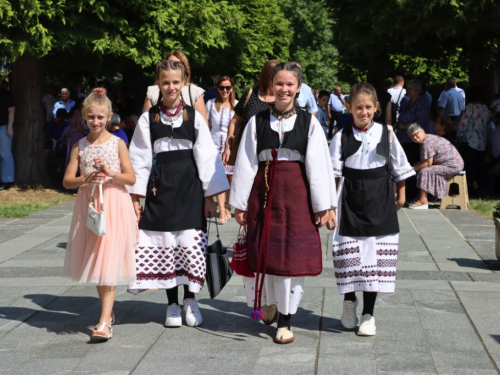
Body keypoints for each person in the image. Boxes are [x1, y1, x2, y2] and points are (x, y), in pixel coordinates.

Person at [230, 62, 337, 344]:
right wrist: (240, 203)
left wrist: (323, 206)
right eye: (280, 84)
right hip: (263, 193)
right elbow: (246, 163)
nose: (284, 89)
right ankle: (268, 302)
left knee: (290, 256)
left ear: (299, 88)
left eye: (290, 85)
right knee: (262, 250)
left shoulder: (308, 122)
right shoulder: (257, 121)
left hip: (296, 194)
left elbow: (318, 166)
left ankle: (286, 320)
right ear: (271, 86)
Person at [127, 60, 229, 327]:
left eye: (175, 82)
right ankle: (172, 304)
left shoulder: (194, 117)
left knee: (190, 244)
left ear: (183, 83)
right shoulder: (148, 119)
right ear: (157, 84)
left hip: (190, 187)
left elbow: (207, 157)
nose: (171, 87)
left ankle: (191, 299)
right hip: (159, 188)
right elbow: (138, 157)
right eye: (165, 82)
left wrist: (210, 197)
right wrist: (135, 195)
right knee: (166, 246)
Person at [330, 82, 415, 336]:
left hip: (380, 198)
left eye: (368, 107)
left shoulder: (387, 134)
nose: (363, 112)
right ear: (349, 107)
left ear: (376, 108)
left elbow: (400, 168)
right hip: (349, 199)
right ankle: (349, 301)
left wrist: (400, 197)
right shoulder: (340, 136)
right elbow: (331, 174)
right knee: (348, 255)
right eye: (358, 107)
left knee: (373, 259)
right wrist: (328, 208)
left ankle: (369, 314)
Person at [63, 87, 138, 341]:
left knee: (108, 258)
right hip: (91, 205)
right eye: (91, 117)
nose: (96, 122)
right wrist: (86, 178)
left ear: (109, 116)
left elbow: (130, 177)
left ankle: (105, 320)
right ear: (84, 116)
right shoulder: (79, 146)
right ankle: (108, 312)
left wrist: (110, 172)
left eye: (100, 117)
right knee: (96, 258)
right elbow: (66, 181)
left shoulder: (118, 143)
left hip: (114, 203)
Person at [222, 59, 278, 166]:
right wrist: (228, 145)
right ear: (267, 77)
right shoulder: (251, 94)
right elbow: (235, 121)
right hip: (246, 153)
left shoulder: (281, 99)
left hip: (270, 156)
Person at [142, 50, 208, 124]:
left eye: (177, 64)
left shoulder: (194, 92)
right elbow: (145, 123)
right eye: (169, 63)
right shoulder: (152, 91)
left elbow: (203, 126)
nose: (172, 67)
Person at [408, 124, 464, 209]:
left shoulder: (427, 142)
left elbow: (427, 164)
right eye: (412, 136)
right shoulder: (428, 139)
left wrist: (410, 170)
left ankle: (423, 201)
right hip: (452, 164)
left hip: (453, 165)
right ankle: (420, 197)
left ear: (422, 131)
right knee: (424, 169)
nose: (415, 137)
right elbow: (425, 161)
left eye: (416, 134)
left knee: (424, 171)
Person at [206, 76, 238, 224]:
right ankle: (222, 210)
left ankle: (227, 205)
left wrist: (230, 145)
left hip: (231, 145)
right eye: (222, 87)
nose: (225, 90)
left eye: (228, 87)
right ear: (217, 89)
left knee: (230, 178)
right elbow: (206, 125)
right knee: (218, 176)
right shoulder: (211, 104)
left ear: (232, 89)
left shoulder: (237, 106)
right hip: (213, 144)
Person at [396, 79, 430, 202]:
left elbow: (421, 123)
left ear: (417, 90)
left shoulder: (421, 103)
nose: (407, 91)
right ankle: (406, 192)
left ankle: (412, 192)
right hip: (404, 139)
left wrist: (404, 126)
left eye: (410, 89)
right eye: (407, 88)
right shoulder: (409, 102)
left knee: (413, 165)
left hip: (414, 140)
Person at [456, 87, 490, 195]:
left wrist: (459, 135)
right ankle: (480, 185)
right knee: (477, 164)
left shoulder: (470, 107)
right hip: (482, 141)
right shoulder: (486, 109)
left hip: (470, 139)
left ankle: (474, 186)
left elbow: (463, 122)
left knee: (468, 163)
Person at [0, 75, 15, 191]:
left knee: (5, 154)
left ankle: (7, 180)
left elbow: (11, 110)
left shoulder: (5, 93)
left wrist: (9, 127)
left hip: (4, 127)